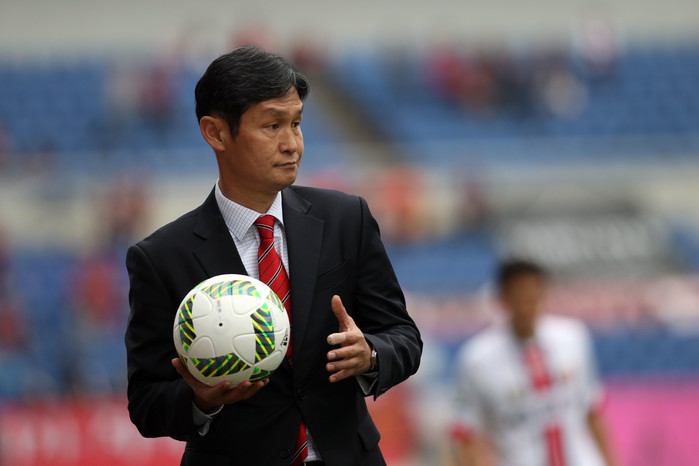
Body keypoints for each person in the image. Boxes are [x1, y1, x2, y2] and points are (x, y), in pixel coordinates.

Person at [124, 46, 422, 466]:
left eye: (296, 123)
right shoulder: (160, 257)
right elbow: (146, 402)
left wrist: (370, 353)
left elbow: (403, 336)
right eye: (272, 125)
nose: (291, 143)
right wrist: (201, 399)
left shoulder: (346, 218)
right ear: (216, 133)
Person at [450, 259, 617, 466]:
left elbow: (592, 411)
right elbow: (465, 433)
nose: (526, 306)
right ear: (503, 298)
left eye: (532, 295)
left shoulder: (573, 338)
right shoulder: (477, 359)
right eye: (519, 296)